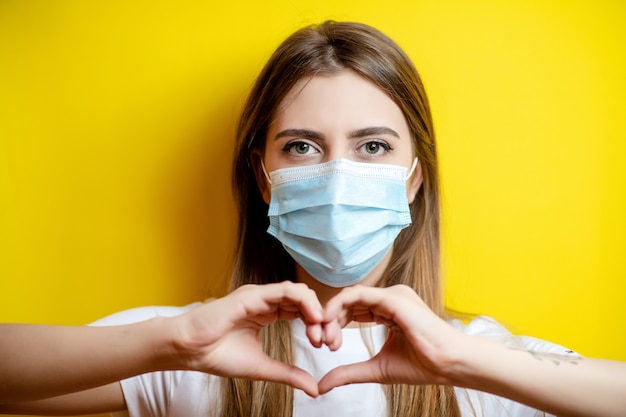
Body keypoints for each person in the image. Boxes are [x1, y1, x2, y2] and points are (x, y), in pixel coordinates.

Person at [1, 20, 625, 417]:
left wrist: (464, 362)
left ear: (415, 177)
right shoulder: (190, 353)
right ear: (261, 175)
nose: (337, 173)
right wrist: (174, 341)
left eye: (373, 147)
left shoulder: (483, 361)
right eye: (301, 146)